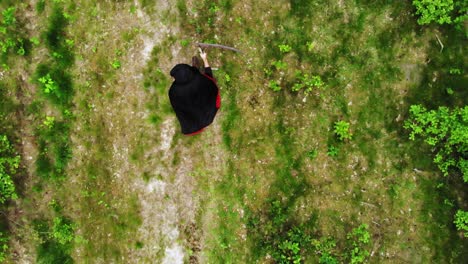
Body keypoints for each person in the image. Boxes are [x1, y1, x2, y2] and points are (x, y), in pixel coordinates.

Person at [169, 49, 221, 135]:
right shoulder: (199, 80)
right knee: (210, 84)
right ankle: (195, 69)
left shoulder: (172, 91)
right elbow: (209, 78)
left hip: (193, 124)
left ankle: (195, 68)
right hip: (208, 115)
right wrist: (205, 59)